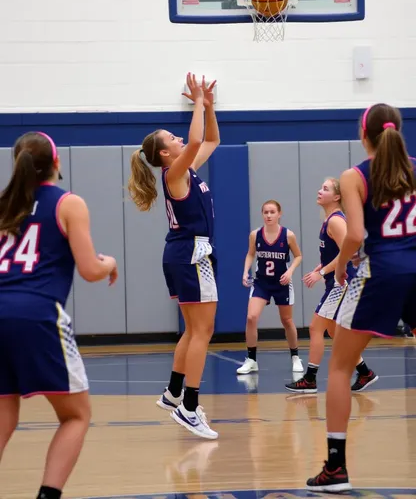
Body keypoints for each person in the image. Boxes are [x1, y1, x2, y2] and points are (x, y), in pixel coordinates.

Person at [0, 131, 118, 499]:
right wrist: (110, 262)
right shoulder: (68, 203)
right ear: (56, 163)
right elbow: (88, 269)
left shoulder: (4, 205)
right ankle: (47, 496)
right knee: (76, 415)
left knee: (4, 409)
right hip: (37, 313)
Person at [307, 103, 416, 492]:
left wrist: (339, 266)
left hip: (381, 272)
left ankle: (335, 468)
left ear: (363, 134)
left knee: (340, 367)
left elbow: (356, 235)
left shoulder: (354, 176)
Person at [128, 73, 220, 440]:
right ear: (166, 154)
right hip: (189, 253)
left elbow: (209, 137)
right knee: (204, 331)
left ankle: (173, 392)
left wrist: (209, 108)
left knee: (193, 329)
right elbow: (196, 138)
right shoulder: (174, 173)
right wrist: (197, 100)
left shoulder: (187, 168)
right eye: (173, 138)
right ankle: (190, 408)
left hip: (182, 253)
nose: (181, 139)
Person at [285, 178, 378, 394]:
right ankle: (365, 372)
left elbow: (349, 252)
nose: (319, 191)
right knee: (333, 330)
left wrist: (321, 272)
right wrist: (322, 266)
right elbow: (337, 252)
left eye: (325, 189)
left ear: (337, 197)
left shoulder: (336, 221)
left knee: (315, 328)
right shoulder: (330, 220)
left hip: (342, 281)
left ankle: (309, 379)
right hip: (337, 280)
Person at [238, 200, 304, 375]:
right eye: (265, 212)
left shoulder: (288, 235)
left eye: (272, 212)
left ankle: (295, 356)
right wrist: (245, 271)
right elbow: (251, 253)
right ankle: (251, 359)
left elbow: (298, 256)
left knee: (287, 321)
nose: (268, 215)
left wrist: (290, 271)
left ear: (279, 214)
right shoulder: (255, 235)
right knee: (251, 317)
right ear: (262, 214)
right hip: (261, 282)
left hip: (282, 283)